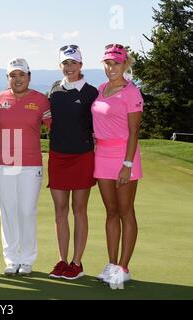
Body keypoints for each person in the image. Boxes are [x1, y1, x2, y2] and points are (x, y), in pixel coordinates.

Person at [0, 58, 51, 276]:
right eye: (13, 75)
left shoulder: (41, 100)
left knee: (26, 211)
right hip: (3, 164)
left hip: (31, 164)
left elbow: (55, 128)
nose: (17, 79)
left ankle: (26, 259)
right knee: (8, 212)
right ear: (8, 78)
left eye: (21, 75)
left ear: (29, 76)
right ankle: (11, 258)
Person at [91, 44, 143, 288]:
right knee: (111, 212)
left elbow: (134, 132)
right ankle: (112, 265)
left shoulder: (132, 92)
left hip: (124, 156)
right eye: (108, 63)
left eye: (117, 63)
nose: (112, 68)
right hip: (102, 156)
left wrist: (127, 164)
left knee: (125, 211)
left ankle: (123, 268)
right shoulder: (102, 89)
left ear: (126, 65)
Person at [47, 45, 98, 280]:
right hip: (58, 156)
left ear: (81, 64)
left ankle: (76, 263)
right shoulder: (54, 90)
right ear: (61, 66)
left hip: (82, 156)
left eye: (73, 63)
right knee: (60, 210)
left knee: (79, 210)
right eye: (65, 63)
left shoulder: (91, 92)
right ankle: (62, 260)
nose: (69, 67)